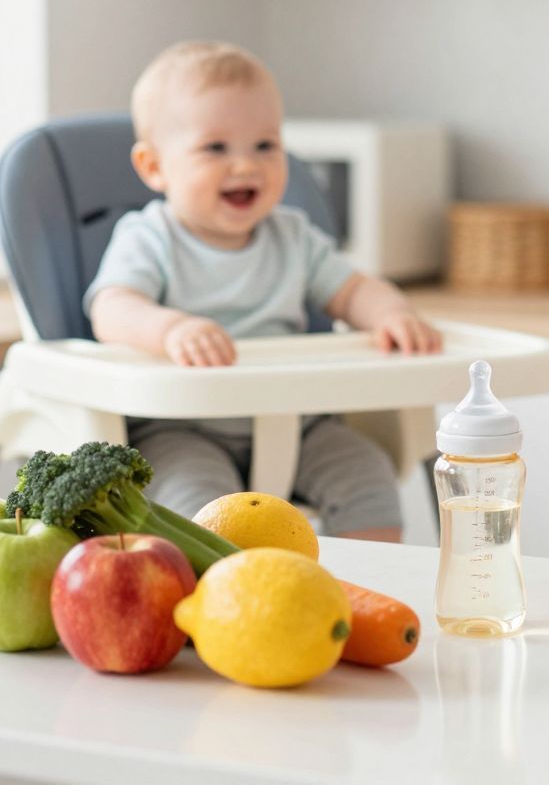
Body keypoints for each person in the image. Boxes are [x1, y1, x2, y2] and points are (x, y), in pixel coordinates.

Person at [85, 40, 442, 542]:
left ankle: (360, 600)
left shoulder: (293, 238)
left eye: (265, 145)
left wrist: (391, 314)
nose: (246, 165)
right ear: (154, 167)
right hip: (184, 428)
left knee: (368, 474)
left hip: (298, 422)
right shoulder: (149, 238)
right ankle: (227, 603)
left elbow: (353, 289)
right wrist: (171, 328)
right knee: (204, 511)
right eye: (216, 148)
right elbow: (111, 308)